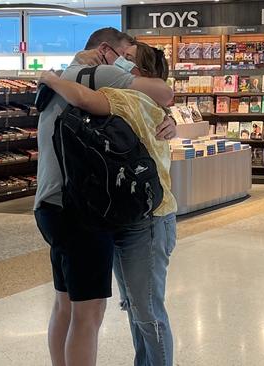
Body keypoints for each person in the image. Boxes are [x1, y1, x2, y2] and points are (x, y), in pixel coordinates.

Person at [34, 28, 175, 366]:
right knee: (90, 312)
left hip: (50, 205)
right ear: (107, 49)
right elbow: (164, 92)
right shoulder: (104, 73)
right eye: (126, 55)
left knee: (65, 304)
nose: (128, 64)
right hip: (83, 209)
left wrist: (50, 77)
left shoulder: (71, 74)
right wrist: (48, 77)